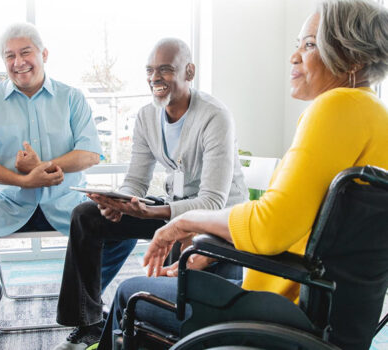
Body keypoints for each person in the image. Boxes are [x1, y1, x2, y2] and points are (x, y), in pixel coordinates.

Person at [99, 0, 388, 349]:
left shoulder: (337, 106)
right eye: (298, 43)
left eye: (310, 44)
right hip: (335, 316)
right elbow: (308, 226)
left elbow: (270, 228)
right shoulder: (374, 115)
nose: (294, 56)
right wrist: (222, 243)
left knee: (132, 294)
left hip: (287, 312)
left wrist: (189, 223)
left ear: (353, 57)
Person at [55, 38, 248, 350]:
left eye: (165, 70)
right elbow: (136, 181)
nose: (155, 78)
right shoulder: (147, 117)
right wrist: (119, 202)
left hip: (218, 220)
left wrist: (155, 214)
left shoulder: (215, 116)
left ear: (189, 71)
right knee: (86, 216)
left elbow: (213, 201)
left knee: (179, 239)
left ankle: (162, 331)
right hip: (175, 208)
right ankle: (88, 323)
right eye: (150, 71)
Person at [0, 22, 103, 333]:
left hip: (66, 203)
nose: (18, 62)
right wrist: (24, 181)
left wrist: (42, 167)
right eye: (10, 56)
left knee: (120, 231)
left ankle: (84, 303)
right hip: (6, 203)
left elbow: (89, 154)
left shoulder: (71, 98)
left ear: (44, 54)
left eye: (26, 52)